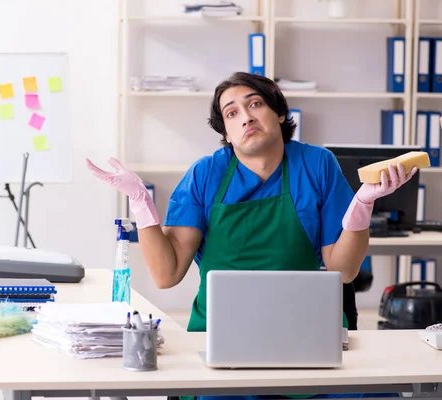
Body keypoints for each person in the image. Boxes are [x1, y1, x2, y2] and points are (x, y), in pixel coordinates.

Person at [85, 72, 416, 399]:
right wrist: (141, 201)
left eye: (255, 104)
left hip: (309, 338)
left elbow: (343, 270)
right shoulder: (206, 173)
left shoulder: (316, 165)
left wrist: (362, 203)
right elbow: (166, 274)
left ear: (280, 113)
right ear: (226, 134)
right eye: (232, 113)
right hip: (219, 341)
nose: (245, 117)